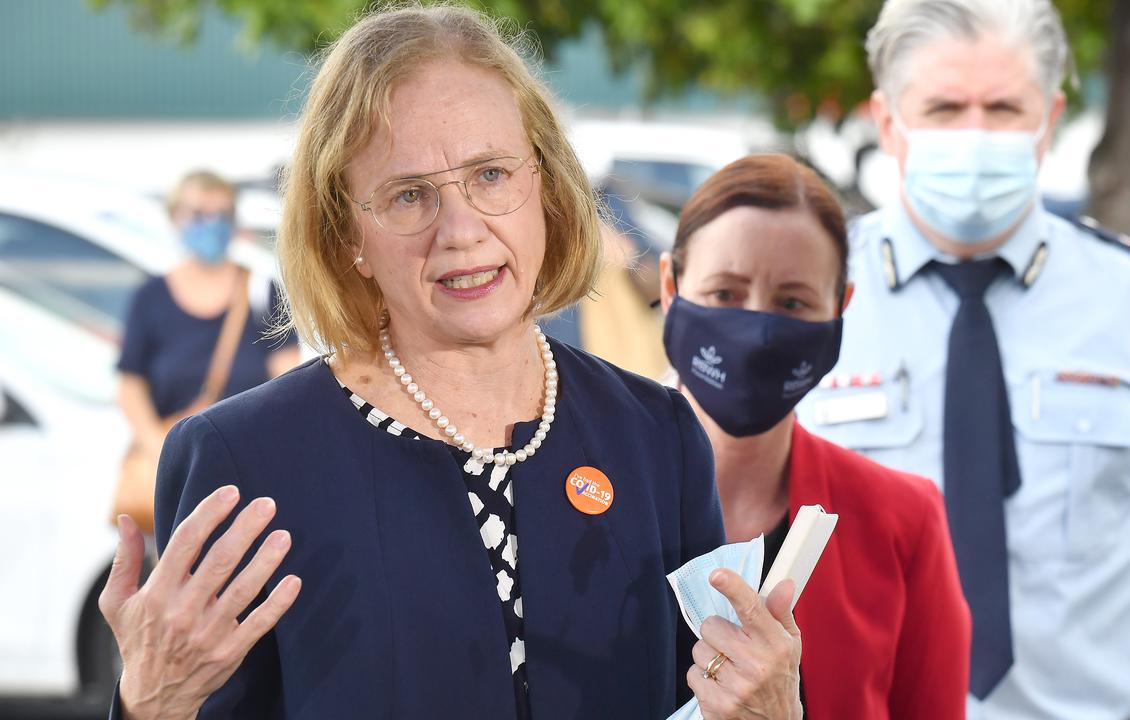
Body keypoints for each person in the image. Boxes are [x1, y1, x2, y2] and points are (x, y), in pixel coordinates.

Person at [98, 6, 803, 719]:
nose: (462, 231)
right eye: (409, 195)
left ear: (548, 192)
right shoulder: (245, 462)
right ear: (349, 237)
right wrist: (149, 706)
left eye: (491, 175)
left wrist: (770, 709)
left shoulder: (657, 437)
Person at [796, 0, 1130, 717]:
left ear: (1049, 120)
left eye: (1004, 107)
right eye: (944, 108)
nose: (975, 134)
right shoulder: (796, 295)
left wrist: (1115, 687)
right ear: (887, 123)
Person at [659, 153, 971, 719]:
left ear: (840, 309)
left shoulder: (901, 522)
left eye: (792, 302)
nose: (756, 331)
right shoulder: (575, 490)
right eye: (726, 293)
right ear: (670, 285)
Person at [115, 170, 300, 530]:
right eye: (199, 214)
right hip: (175, 476)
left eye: (222, 214)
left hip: (250, 474)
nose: (211, 224)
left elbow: (287, 381)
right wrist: (159, 449)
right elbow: (129, 386)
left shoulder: (262, 291)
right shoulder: (150, 298)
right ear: (174, 219)